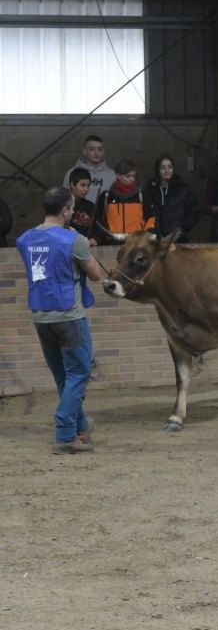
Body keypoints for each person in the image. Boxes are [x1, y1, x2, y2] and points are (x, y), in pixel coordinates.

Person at [16, 187, 105, 454]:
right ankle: (65, 432)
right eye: (72, 208)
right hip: (69, 315)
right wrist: (80, 242)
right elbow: (96, 274)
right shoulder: (72, 240)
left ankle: (80, 429)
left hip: (41, 315)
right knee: (79, 372)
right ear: (65, 210)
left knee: (64, 378)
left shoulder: (25, 239)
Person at [95, 159, 155, 245]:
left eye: (133, 176)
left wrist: (147, 235)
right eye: (128, 176)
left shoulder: (142, 196)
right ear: (118, 176)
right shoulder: (106, 196)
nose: (132, 179)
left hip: (137, 243)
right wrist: (97, 238)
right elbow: (99, 221)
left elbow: (151, 219)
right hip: (111, 242)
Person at [145, 153, 200, 242]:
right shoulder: (150, 191)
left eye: (169, 167)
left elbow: (194, 213)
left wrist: (181, 227)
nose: (167, 170)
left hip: (179, 240)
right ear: (157, 170)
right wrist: (151, 232)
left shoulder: (184, 190)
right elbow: (145, 215)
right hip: (155, 242)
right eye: (163, 168)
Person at [62, 134, 115, 204]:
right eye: (92, 149)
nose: (96, 153)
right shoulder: (72, 173)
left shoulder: (112, 175)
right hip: (79, 214)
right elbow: (64, 199)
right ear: (85, 151)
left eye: (99, 149)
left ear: (103, 152)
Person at [66, 167, 99, 246]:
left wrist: (96, 239)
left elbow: (100, 227)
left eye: (88, 186)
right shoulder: (63, 205)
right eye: (82, 185)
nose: (86, 189)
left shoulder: (91, 206)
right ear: (72, 185)